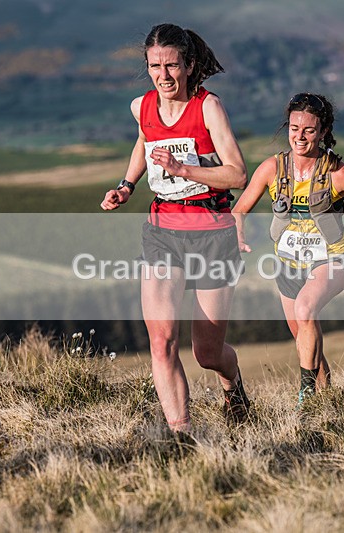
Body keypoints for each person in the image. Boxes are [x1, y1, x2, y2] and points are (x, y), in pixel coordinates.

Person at [100, 23, 250, 433]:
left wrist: (184, 169)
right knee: (162, 342)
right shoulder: (141, 106)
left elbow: (238, 175)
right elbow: (144, 141)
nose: (163, 76)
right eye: (154, 66)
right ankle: (181, 437)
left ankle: (232, 384)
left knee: (207, 352)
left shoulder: (207, 107)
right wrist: (126, 185)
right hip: (162, 230)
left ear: (189, 65)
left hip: (212, 233)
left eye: (171, 66)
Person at [232, 93, 344, 406]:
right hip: (287, 264)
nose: (299, 136)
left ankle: (304, 398)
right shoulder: (271, 169)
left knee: (306, 310)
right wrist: (238, 236)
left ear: (323, 131)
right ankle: (325, 399)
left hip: (331, 261)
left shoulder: (337, 173)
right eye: (294, 128)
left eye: (308, 130)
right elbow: (239, 210)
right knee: (303, 335)